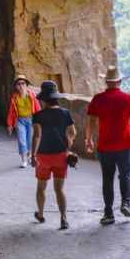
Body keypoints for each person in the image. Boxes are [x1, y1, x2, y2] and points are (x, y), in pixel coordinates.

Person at [86, 65, 130, 225]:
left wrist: (88, 139)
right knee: (125, 175)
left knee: (107, 178)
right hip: (124, 144)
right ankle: (125, 203)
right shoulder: (128, 98)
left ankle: (108, 213)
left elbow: (91, 121)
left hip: (105, 145)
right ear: (120, 81)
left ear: (106, 82)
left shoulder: (97, 99)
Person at [30, 81, 76, 231]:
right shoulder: (65, 113)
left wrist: (33, 155)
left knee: (41, 187)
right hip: (61, 156)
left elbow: (37, 136)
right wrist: (68, 146)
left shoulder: (38, 115)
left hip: (43, 156)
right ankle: (63, 219)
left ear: (43, 99)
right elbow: (72, 132)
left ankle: (41, 214)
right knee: (59, 189)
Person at [6, 74, 41, 168]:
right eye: (18, 84)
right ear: (16, 86)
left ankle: (29, 155)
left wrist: (40, 121)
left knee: (29, 140)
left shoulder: (32, 96)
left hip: (31, 120)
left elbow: (38, 109)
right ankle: (24, 159)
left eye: (23, 83)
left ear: (26, 85)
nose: (21, 86)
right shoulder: (14, 97)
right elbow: (11, 112)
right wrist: (10, 125)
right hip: (20, 120)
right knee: (22, 140)